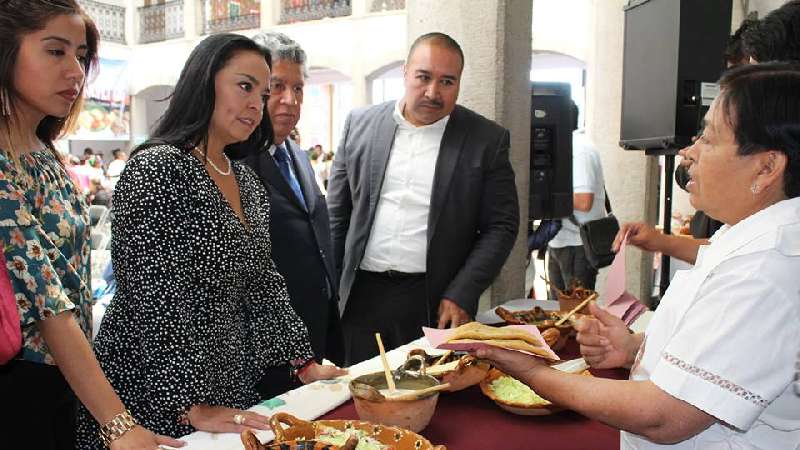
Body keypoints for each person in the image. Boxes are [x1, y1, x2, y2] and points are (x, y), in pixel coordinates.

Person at [474, 62, 800, 449]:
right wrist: (632, 350)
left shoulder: (765, 268)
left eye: (709, 139)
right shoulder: (749, 233)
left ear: (766, 167)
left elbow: (665, 416)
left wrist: (533, 372)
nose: (689, 152)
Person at [75, 33, 339, 446]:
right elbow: (151, 297)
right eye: (245, 86)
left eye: (262, 92)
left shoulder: (247, 181)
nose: (257, 103)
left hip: (224, 377)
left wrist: (302, 362)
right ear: (204, 80)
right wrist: (188, 402)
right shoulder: (158, 168)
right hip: (152, 386)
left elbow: (263, 283)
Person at [0, 2, 182, 449]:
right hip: (18, 386)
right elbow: (49, 306)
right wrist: (117, 423)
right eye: (55, 52)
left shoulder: (44, 151)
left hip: (67, 379)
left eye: (81, 55)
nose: (76, 72)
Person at [327, 32, 519, 365]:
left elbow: (501, 225)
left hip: (432, 301)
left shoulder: (486, 140)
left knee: (426, 399)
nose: (433, 92)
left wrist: (462, 292)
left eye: (447, 81)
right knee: (356, 399)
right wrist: (329, 287)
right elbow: (337, 215)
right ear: (405, 73)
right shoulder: (360, 125)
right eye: (424, 77)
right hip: (359, 297)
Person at [620, 6, 800, 264]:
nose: (690, 151)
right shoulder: (755, 236)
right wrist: (662, 241)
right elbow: (725, 252)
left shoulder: (770, 258)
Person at [241, 31, 346, 391]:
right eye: (277, 87)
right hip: (263, 350)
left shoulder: (298, 155)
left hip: (312, 329)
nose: (289, 100)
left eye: (298, 88)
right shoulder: (233, 162)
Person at [546, 104, 605, 298]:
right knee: (557, 312)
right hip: (561, 242)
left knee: (575, 315)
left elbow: (583, 201)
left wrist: (544, 197)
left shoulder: (579, 149)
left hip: (576, 244)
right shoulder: (568, 146)